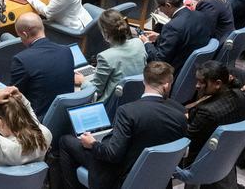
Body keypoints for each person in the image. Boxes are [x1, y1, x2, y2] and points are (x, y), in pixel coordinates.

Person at [58, 62, 187, 189]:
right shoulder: (181, 112)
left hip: (123, 175)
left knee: (65, 141)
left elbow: (112, 155)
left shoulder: (128, 111)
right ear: (166, 85)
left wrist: (92, 144)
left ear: (143, 81)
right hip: (159, 177)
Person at [185, 61, 245, 189]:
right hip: (228, 154)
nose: (197, 86)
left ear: (218, 83)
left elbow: (188, 140)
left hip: (200, 159)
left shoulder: (207, 112)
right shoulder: (239, 96)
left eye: (202, 82)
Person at [8, 13, 74, 117]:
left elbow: (14, 96)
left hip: (36, 120)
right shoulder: (66, 50)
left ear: (25, 34)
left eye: (20, 37)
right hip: (66, 115)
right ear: (42, 27)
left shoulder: (21, 60)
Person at [142, 0, 214, 71]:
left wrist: (147, 43)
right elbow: (185, 40)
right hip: (195, 66)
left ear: (168, 5)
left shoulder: (172, 27)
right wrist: (159, 37)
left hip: (176, 70)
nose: (159, 10)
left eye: (159, 7)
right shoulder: (200, 15)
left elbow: (159, 61)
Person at [81, 9, 147, 102]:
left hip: (111, 105)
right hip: (137, 97)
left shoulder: (105, 57)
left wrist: (82, 81)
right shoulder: (139, 43)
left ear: (105, 32)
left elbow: (96, 92)